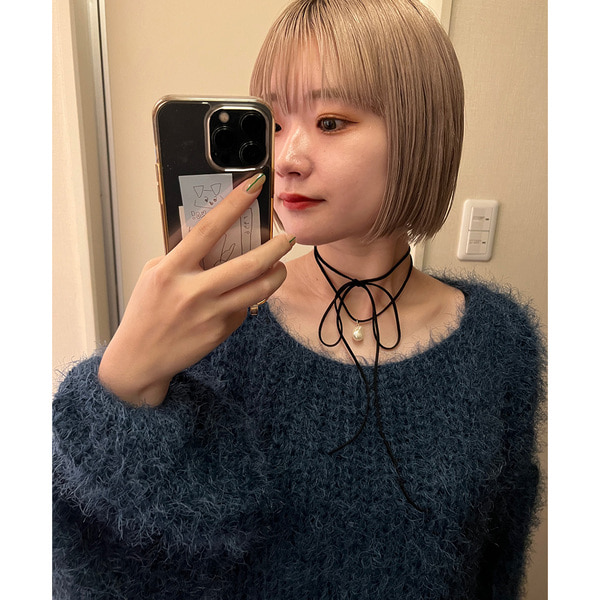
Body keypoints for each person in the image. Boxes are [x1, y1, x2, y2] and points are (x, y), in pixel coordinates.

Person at [53, 0, 544, 598]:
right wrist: (121, 388)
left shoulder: (500, 341)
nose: (286, 159)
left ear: (422, 129)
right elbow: (108, 569)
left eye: (330, 122)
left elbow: (497, 557)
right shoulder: (217, 324)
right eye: (275, 123)